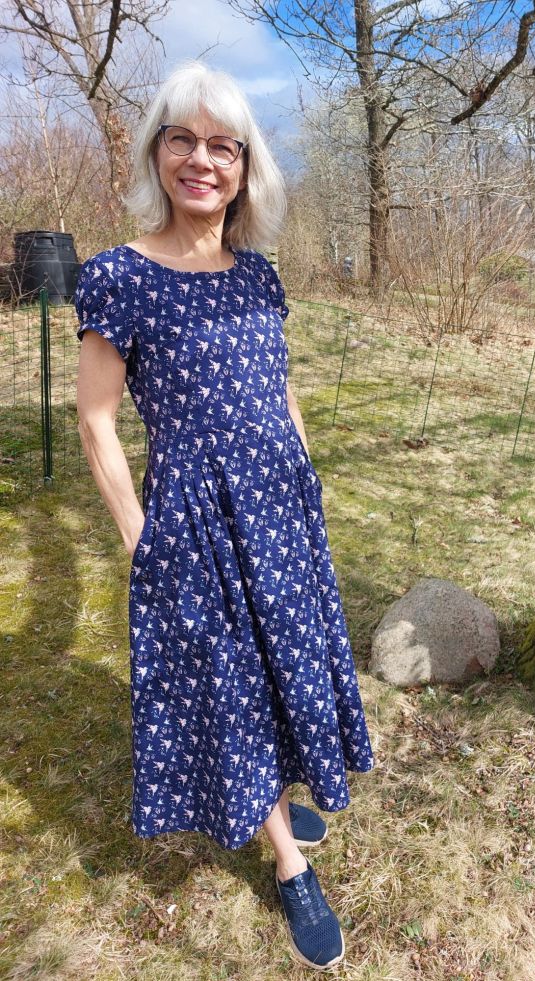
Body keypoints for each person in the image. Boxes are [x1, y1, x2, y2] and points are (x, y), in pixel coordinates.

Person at [74, 59, 375, 972]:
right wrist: (142, 538)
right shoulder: (119, 276)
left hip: (281, 508)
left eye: (222, 146)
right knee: (230, 681)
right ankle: (289, 864)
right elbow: (95, 419)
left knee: (283, 664)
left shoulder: (259, 277)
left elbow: (279, 387)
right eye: (183, 140)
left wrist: (305, 475)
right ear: (155, 153)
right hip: (195, 519)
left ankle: (276, 797)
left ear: (245, 167)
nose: (201, 160)